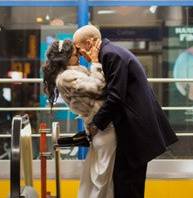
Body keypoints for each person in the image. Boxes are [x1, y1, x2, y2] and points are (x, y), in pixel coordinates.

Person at [75, 25, 178, 198]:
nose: (80, 55)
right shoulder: (110, 53)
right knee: (127, 183)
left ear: (90, 42)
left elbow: (115, 97)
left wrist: (95, 124)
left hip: (135, 131)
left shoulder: (110, 55)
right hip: (135, 129)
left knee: (127, 185)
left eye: (79, 49)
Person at [43, 38, 116, 198]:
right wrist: (96, 62)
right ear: (67, 57)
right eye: (76, 53)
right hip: (104, 129)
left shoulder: (75, 72)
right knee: (102, 177)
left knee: (96, 176)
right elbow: (98, 87)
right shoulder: (67, 77)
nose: (80, 55)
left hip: (97, 127)